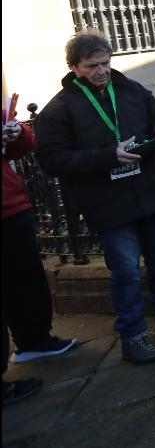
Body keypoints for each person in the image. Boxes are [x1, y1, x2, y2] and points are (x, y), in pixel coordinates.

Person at [34, 31, 155, 365]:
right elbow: (52, 160)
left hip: (150, 190)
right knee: (126, 271)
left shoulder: (129, 88)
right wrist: (110, 155)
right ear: (73, 67)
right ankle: (133, 336)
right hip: (108, 202)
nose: (101, 71)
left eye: (105, 63)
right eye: (92, 65)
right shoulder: (58, 110)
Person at [4, 108, 77, 366]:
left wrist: (17, 131)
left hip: (11, 207)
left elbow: (25, 143)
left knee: (27, 279)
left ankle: (34, 341)